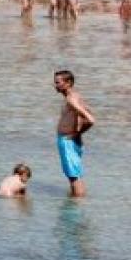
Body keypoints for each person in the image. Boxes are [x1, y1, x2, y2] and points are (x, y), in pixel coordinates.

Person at [54, 69, 94, 199]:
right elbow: (87, 113)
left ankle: (77, 206)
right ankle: (76, 204)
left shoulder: (72, 100)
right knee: (74, 175)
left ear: (68, 83)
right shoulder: (75, 96)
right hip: (70, 141)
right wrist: (78, 135)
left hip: (68, 141)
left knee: (74, 176)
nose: (55, 85)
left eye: (58, 82)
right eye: (55, 82)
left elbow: (90, 119)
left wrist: (76, 134)